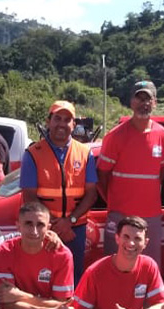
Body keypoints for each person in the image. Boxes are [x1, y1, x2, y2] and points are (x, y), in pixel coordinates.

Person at [21, 100, 99, 282]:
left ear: (74, 124)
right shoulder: (33, 153)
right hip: (44, 228)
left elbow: (91, 194)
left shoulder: (85, 153)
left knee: (73, 277)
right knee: (45, 277)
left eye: (67, 119)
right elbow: (30, 197)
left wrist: (69, 222)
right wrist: (56, 225)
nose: (62, 124)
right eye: (57, 118)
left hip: (75, 230)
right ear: (49, 121)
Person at [97, 81, 164, 266]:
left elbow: (161, 175)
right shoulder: (115, 136)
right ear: (131, 102)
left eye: (148, 99)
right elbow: (102, 176)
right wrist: (114, 202)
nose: (143, 103)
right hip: (120, 215)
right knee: (115, 267)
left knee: (149, 268)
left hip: (151, 217)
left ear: (155, 103)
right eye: (139, 98)